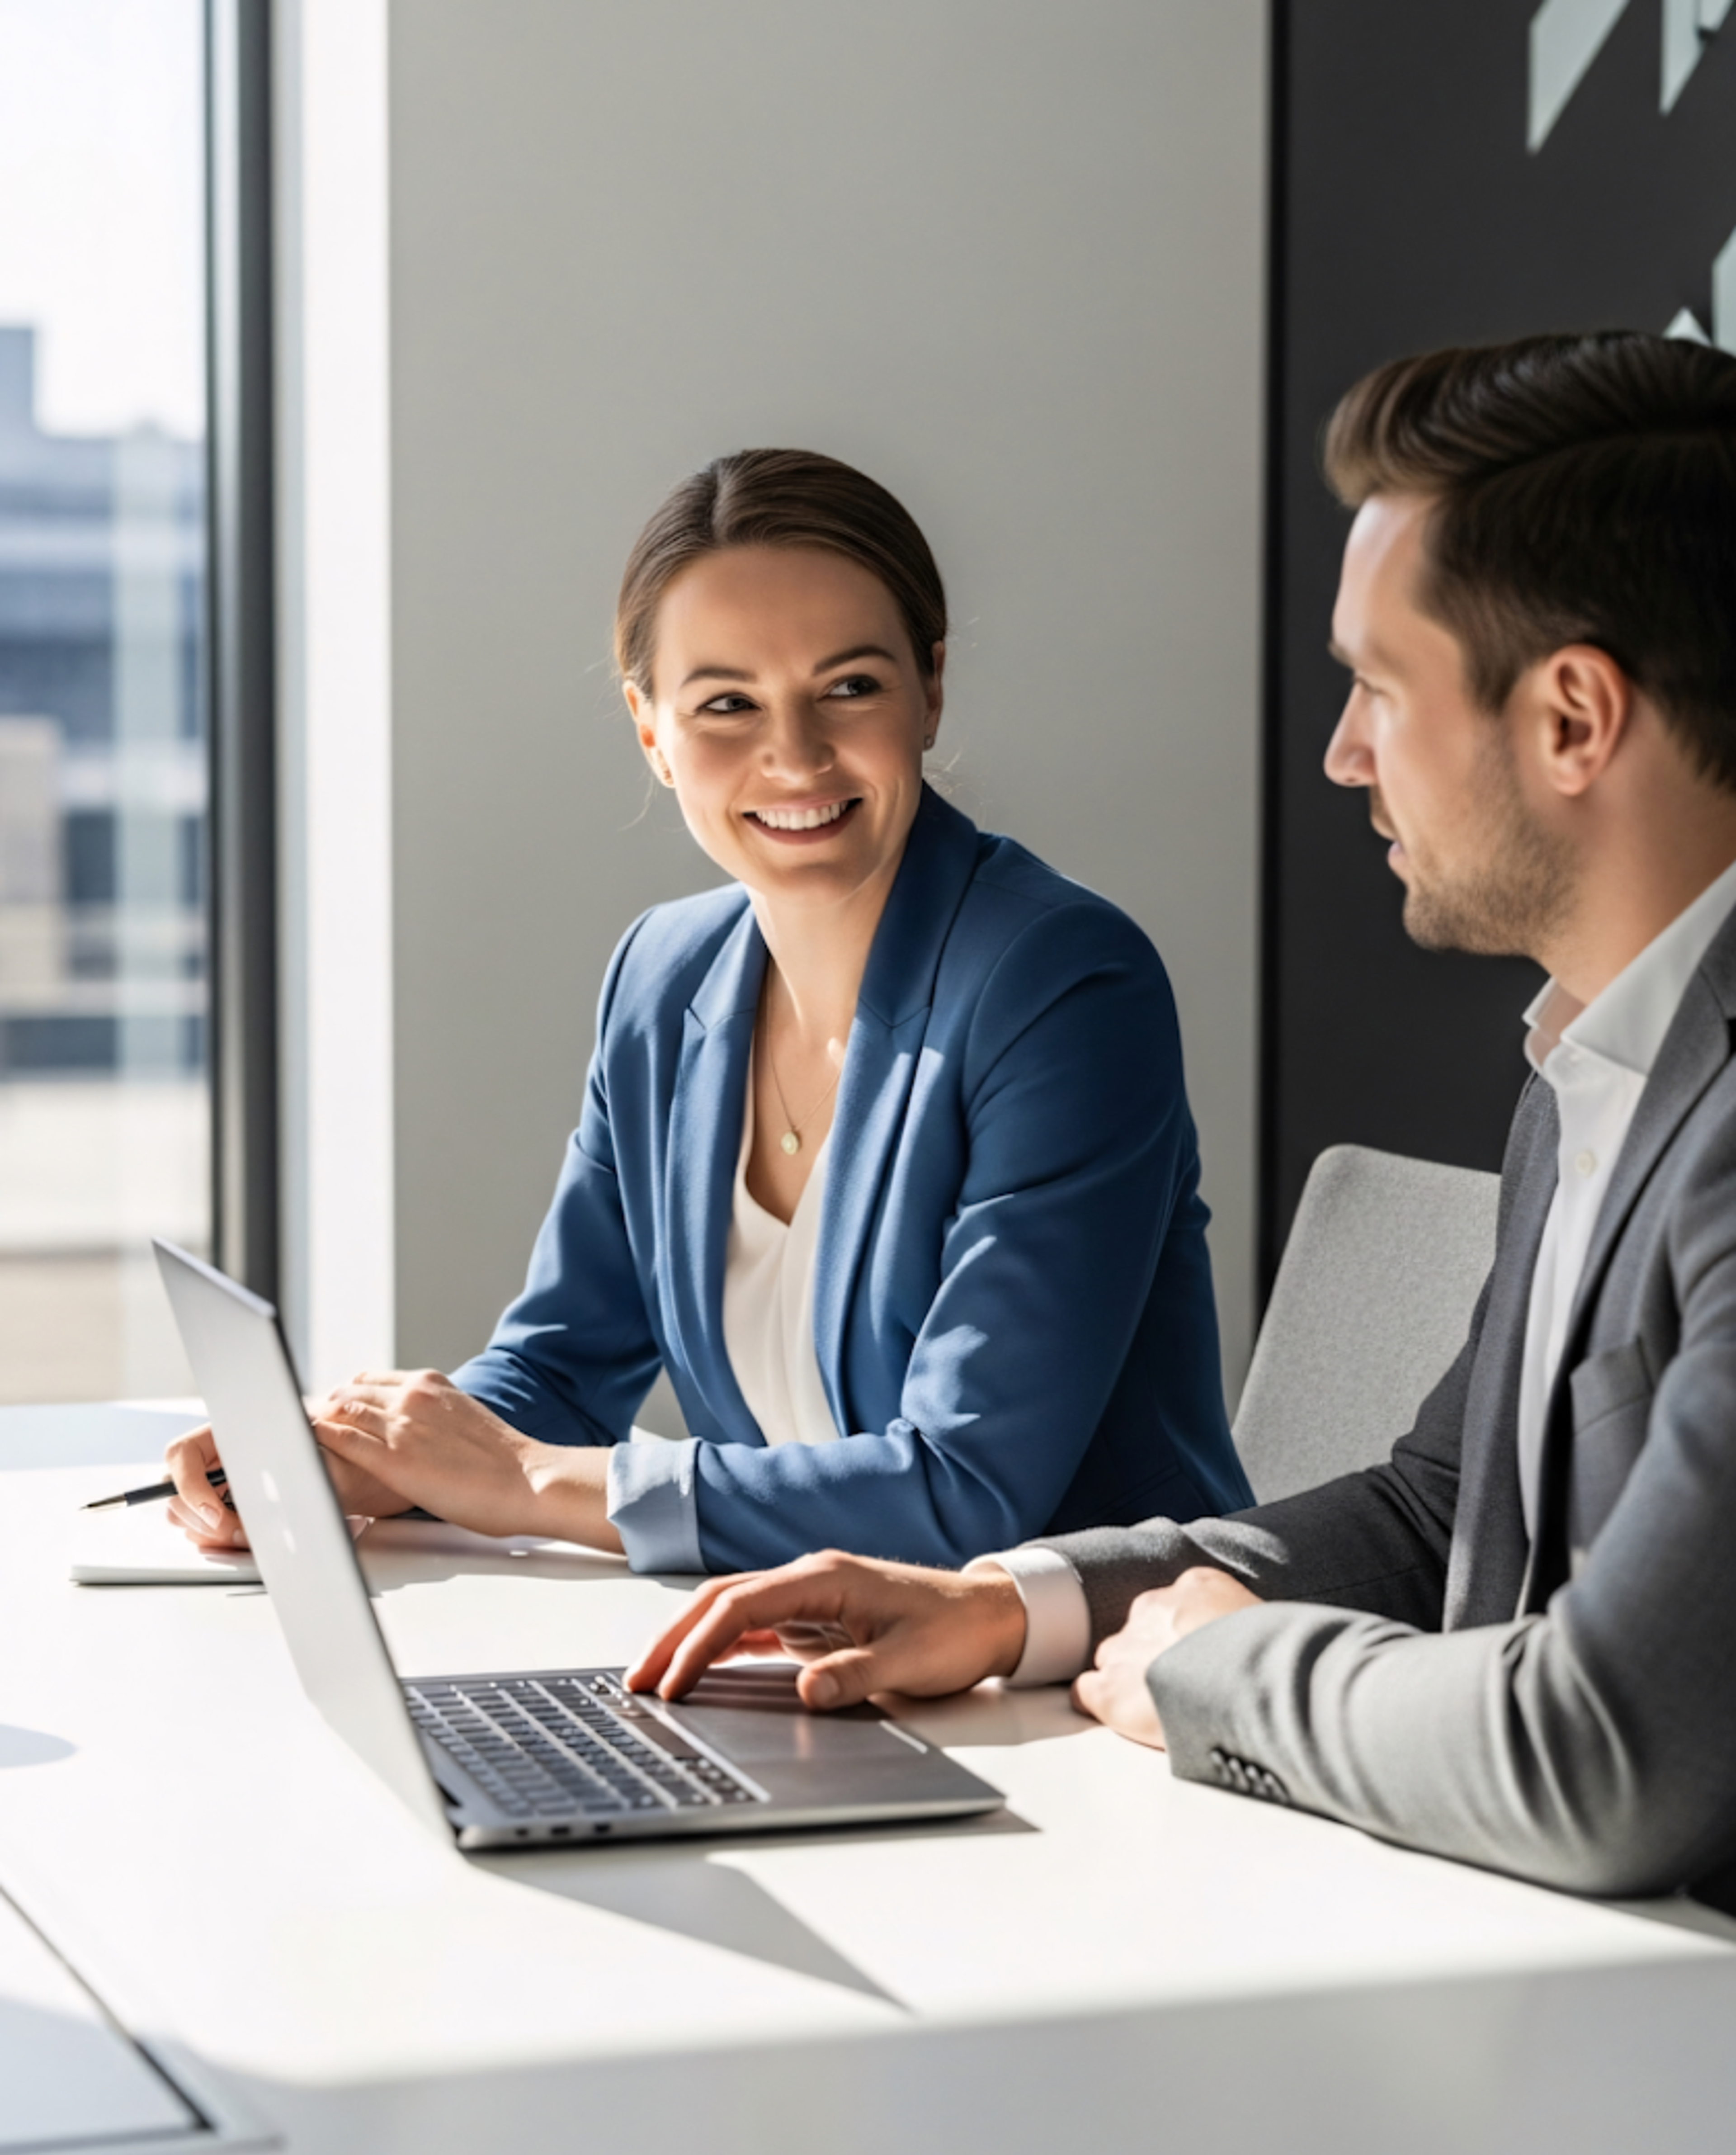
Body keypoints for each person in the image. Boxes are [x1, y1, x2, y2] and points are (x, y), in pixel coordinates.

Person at [627, 332, 1736, 1914]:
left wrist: (1229, 1669)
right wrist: (1012, 1606)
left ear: (1571, 718)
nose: (1345, 752)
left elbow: (1608, 1753)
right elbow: (1440, 1510)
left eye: (1378, 686)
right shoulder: (1599, 1066)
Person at [169, 449, 1250, 1573]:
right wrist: (355, 1460)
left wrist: (521, 1480)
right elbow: (554, 1375)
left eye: (851, 687)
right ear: (651, 728)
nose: (794, 755)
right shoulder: (663, 975)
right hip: (801, 1659)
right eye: (727, 704)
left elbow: (966, 1489)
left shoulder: (1062, 984)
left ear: (931, 688)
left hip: (1084, 1677)